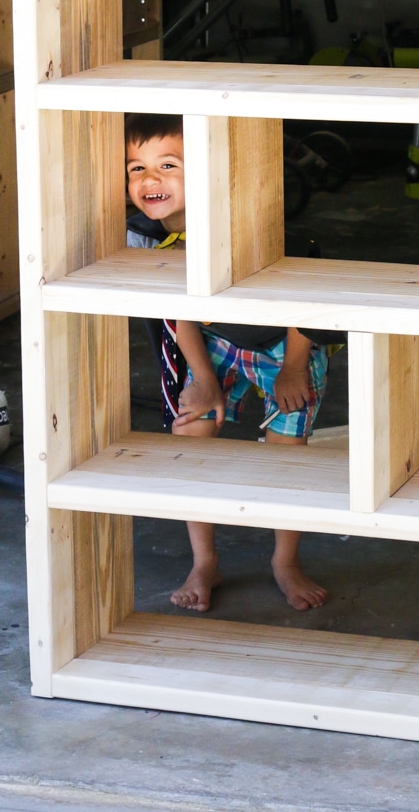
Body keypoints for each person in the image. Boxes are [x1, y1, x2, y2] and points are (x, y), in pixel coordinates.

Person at [124, 112, 330, 614]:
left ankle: (285, 561)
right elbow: (180, 308)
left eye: (168, 164)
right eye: (136, 168)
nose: (150, 180)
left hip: (287, 340)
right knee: (190, 432)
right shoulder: (142, 234)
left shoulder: (246, 220)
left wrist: (294, 368)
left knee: (286, 452)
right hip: (214, 337)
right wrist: (202, 378)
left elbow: (309, 293)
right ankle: (204, 562)